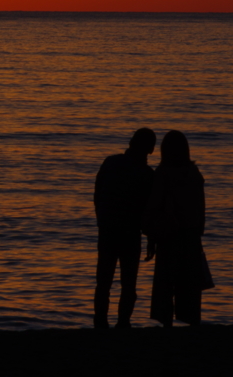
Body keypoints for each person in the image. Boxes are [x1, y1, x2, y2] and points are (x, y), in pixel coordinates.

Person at [142, 130, 214, 327]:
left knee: (166, 284)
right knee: (189, 286)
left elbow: (155, 206)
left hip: (169, 236)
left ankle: (166, 325)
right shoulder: (194, 174)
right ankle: (192, 323)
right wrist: (198, 231)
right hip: (190, 236)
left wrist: (151, 234)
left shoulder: (163, 174)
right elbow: (201, 208)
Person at [92, 128, 156, 329]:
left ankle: (101, 322)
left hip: (108, 229)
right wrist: (151, 240)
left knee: (104, 281)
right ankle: (123, 322)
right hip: (130, 232)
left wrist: (101, 220)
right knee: (128, 283)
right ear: (151, 149)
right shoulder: (147, 175)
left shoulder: (110, 162)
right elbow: (149, 210)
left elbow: (97, 195)